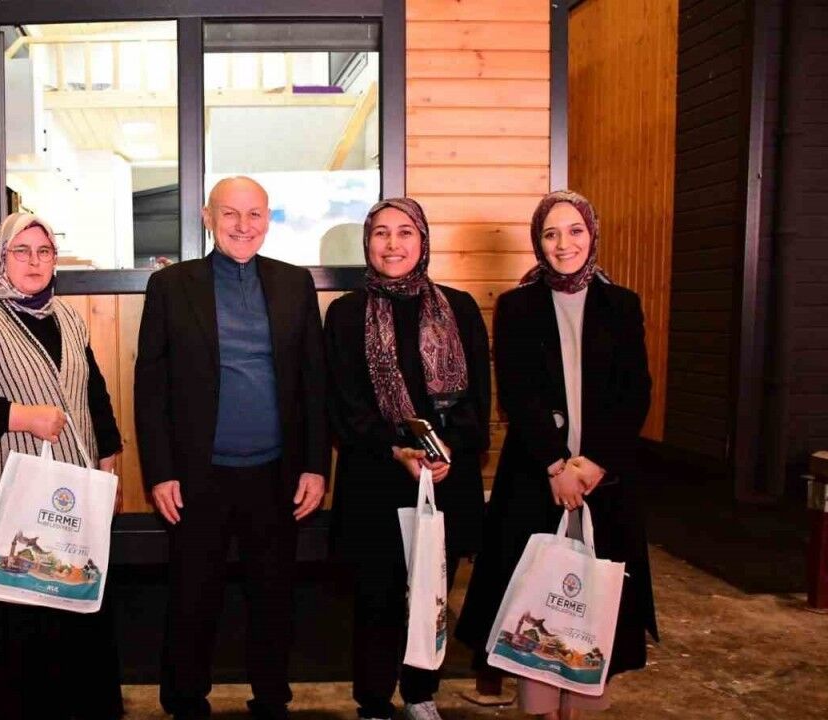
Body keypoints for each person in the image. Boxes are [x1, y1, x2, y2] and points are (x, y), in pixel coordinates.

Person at [454, 191, 657, 719]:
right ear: (538, 242)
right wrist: (556, 465)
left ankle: (581, 708)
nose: (564, 244)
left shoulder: (622, 305)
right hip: (536, 478)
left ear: (592, 234)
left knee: (595, 601)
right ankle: (541, 710)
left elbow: (634, 393)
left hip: (604, 482)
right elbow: (518, 394)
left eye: (574, 231)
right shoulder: (517, 306)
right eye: (551, 234)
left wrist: (593, 464)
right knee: (535, 600)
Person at [135, 176, 329, 720]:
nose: (243, 226)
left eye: (254, 214)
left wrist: (316, 466)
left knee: (274, 596)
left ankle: (271, 697)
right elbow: (151, 386)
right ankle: (184, 700)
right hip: (197, 477)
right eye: (230, 214)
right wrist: (160, 471)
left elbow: (314, 382)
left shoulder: (294, 283)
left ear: (268, 219)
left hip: (277, 475)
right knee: (192, 596)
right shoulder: (171, 286)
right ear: (207, 217)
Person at [0, 212, 123, 720]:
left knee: (67, 603)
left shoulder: (68, 318)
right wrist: (20, 417)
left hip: (66, 502)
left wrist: (108, 458)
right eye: (22, 251)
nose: (34, 262)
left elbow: (93, 392)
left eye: (44, 252)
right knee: (7, 627)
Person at [324, 198, 491, 720]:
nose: (392, 244)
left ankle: (420, 692)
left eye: (404, 232)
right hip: (375, 473)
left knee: (432, 594)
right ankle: (373, 700)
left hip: (445, 478)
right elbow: (343, 403)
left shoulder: (459, 307)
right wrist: (393, 448)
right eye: (381, 233)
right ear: (367, 243)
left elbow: (478, 399)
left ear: (423, 240)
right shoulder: (345, 313)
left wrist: (449, 450)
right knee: (376, 596)